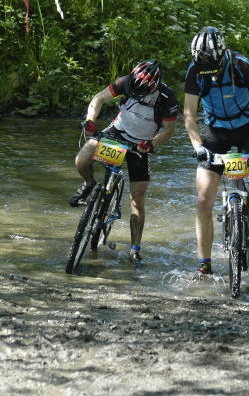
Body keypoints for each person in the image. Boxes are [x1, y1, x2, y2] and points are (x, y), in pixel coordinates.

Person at [183, 27, 249, 275]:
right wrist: (198, 147)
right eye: (201, 62)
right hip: (216, 132)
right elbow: (189, 116)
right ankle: (204, 263)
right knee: (203, 199)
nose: (206, 68)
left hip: (247, 129)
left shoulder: (240, 65)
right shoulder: (195, 72)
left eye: (209, 63)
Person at [69, 60, 178, 262]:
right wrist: (91, 120)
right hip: (117, 132)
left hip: (141, 144)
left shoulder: (167, 97)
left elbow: (169, 130)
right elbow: (99, 98)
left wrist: (151, 143)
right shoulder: (126, 81)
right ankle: (89, 184)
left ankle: (135, 248)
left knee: (137, 196)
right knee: (82, 160)